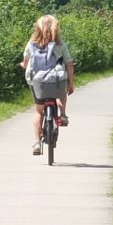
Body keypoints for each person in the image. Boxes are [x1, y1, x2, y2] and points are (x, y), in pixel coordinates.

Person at [20, 15, 74, 156]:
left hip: (38, 82)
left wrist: (23, 65)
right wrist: (71, 84)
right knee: (61, 92)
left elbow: (26, 63)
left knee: (39, 111)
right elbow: (69, 64)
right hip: (56, 80)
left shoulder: (32, 43)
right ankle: (62, 114)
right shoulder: (60, 44)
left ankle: (37, 142)